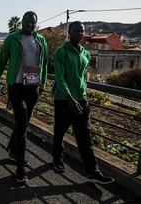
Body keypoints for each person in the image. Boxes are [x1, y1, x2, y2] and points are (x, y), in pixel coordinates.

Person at [52, 21, 114, 184]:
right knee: (59, 132)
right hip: (64, 100)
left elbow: (82, 78)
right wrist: (70, 98)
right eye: (76, 30)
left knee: (85, 137)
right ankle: (57, 159)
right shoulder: (61, 52)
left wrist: (83, 96)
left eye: (82, 31)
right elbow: (60, 77)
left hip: (82, 100)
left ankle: (93, 171)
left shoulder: (86, 54)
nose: (80, 33)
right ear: (69, 32)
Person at [0, 11, 48, 183]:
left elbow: (44, 64)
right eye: (28, 21)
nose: (31, 24)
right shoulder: (12, 39)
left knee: (22, 123)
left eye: (33, 22)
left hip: (33, 86)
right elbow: (1, 61)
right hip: (15, 86)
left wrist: (42, 84)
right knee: (22, 123)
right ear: (22, 22)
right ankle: (21, 167)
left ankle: (13, 151)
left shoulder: (41, 40)